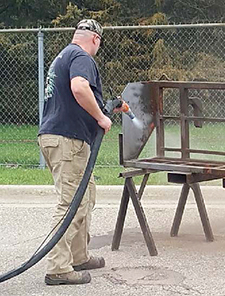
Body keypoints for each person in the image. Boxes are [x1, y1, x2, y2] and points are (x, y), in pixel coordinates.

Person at [38, 19, 113, 285]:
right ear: (95, 39)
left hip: (62, 139)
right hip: (67, 141)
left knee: (86, 197)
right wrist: (102, 119)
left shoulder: (63, 56)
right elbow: (80, 87)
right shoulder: (82, 56)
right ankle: (58, 268)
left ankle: (78, 255)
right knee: (71, 203)